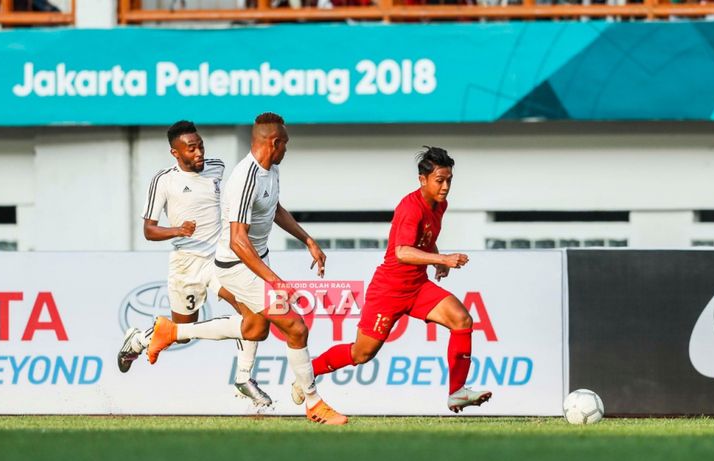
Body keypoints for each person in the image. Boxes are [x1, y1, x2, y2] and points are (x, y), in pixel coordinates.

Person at [147, 112, 348, 425]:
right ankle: (313, 402)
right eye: (286, 144)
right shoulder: (245, 177)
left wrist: (307, 239)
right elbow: (238, 240)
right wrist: (275, 282)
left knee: (255, 329)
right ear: (274, 142)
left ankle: (173, 331)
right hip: (237, 265)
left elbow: (274, 208)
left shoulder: (271, 170)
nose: (287, 149)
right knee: (295, 327)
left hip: (257, 260)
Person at [294, 146, 492, 413]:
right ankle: (307, 374)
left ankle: (457, 392)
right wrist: (442, 259)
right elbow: (402, 252)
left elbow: (425, 239)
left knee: (462, 320)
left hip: (417, 286)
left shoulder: (440, 204)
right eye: (439, 180)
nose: (445, 187)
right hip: (390, 290)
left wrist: (434, 257)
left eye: (449, 180)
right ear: (423, 180)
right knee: (361, 354)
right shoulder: (411, 208)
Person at [117, 120, 272, 407]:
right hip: (185, 265)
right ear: (175, 153)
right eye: (191, 149)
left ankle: (244, 377)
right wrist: (177, 230)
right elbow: (149, 230)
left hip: (218, 261)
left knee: (251, 314)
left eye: (200, 145)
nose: (199, 152)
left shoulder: (217, 167)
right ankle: (138, 340)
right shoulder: (163, 180)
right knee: (182, 333)